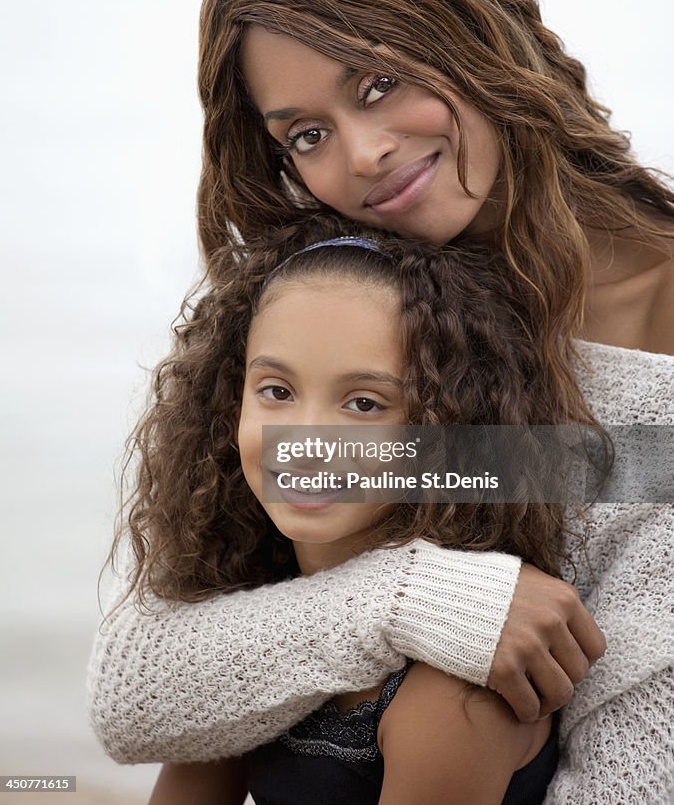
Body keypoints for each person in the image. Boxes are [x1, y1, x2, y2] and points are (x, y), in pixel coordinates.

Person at [87, 0, 674, 802]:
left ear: (471, 27)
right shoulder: (349, 297)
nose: (360, 156)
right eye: (306, 135)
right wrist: (412, 599)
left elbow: (634, 772)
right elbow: (133, 691)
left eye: (378, 82)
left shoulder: (657, 379)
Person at [139, 218, 579, 804]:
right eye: (276, 391)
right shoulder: (249, 629)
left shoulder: (452, 692)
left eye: (364, 403)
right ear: (229, 401)